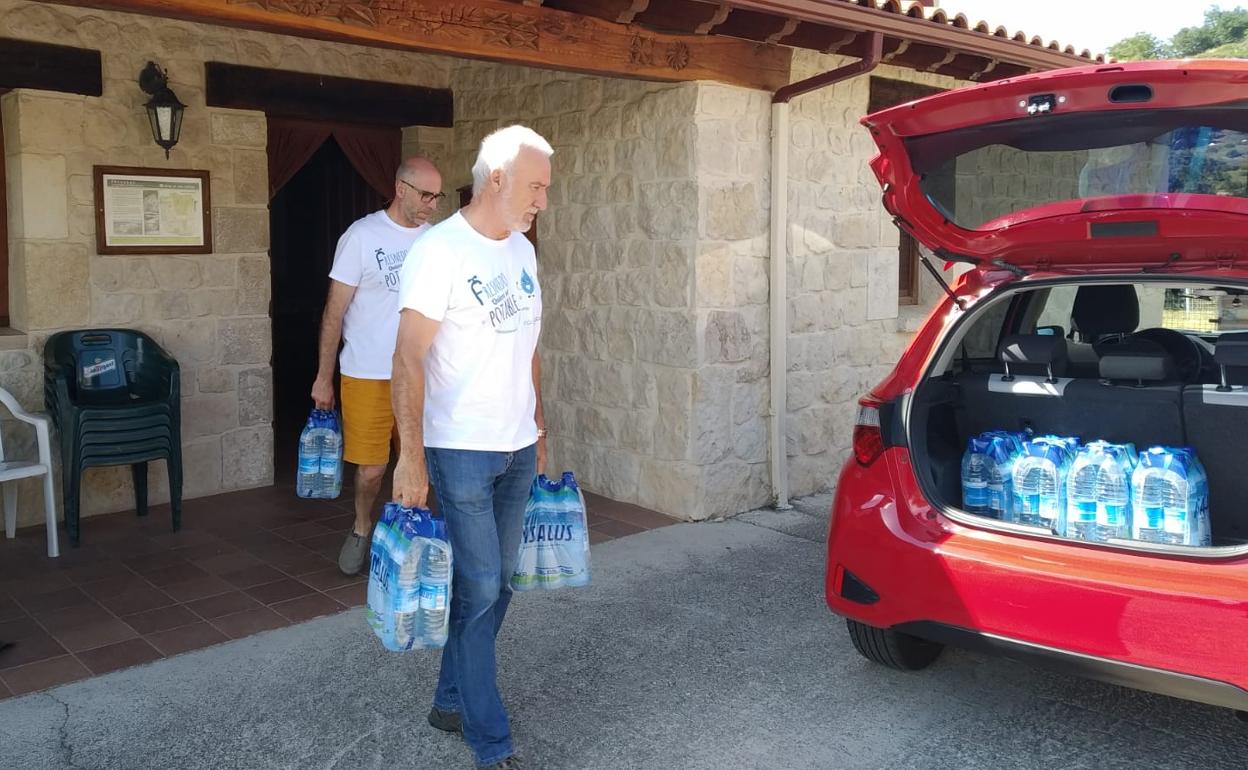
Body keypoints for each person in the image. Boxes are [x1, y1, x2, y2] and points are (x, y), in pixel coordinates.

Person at [391, 125, 552, 770]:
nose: (542, 199)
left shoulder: (523, 250)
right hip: (460, 450)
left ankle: (450, 699)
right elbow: (408, 360)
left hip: (515, 448)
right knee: (483, 585)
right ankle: (491, 742)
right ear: (496, 180)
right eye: (536, 186)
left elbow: (529, 347)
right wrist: (410, 455)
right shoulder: (439, 251)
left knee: (495, 585)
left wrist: (540, 426)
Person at [310, 156, 444, 577]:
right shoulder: (362, 237)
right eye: (426, 195)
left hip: (420, 373)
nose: (432, 205)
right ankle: (362, 525)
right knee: (371, 470)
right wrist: (322, 376)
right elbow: (335, 311)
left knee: (419, 464)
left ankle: (410, 541)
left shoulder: (437, 242)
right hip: (367, 373)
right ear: (400, 188)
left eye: (438, 197)